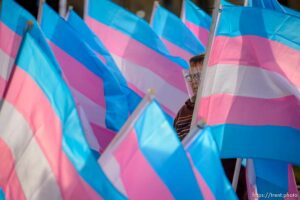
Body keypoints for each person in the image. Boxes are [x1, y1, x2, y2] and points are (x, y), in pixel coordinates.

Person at [174, 54, 248, 199]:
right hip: (197, 179)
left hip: (228, 179)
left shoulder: (226, 105)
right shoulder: (183, 112)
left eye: (200, 75)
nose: (195, 81)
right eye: (192, 76)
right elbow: (180, 145)